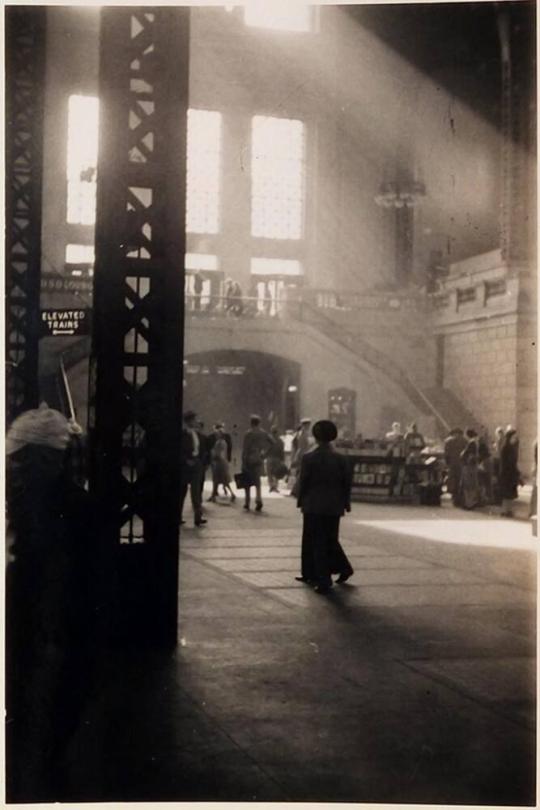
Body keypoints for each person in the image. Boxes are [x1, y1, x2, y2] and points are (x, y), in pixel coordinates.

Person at [6, 405, 97, 800]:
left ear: (45, 458)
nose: (13, 467)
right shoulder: (72, 502)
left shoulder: (46, 504)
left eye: (21, 458)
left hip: (44, 623)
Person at [296, 420, 353, 594]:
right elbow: (346, 483)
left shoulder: (308, 457)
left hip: (313, 504)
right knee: (330, 539)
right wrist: (346, 501)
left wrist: (300, 499)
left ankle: (320, 577)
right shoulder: (341, 458)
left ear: (315, 436)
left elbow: (303, 481)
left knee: (313, 540)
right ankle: (341, 568)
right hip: (333, 505)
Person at [241, 414, 274, 511]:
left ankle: (247, 502)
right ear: (259, 423)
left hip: (249, 458)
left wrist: (243, 461)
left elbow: (245, 449)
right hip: (259, 458)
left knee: (247, 481)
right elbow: (273, 443)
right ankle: (258, 500)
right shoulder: (263, 433)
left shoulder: (248, 433)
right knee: (257, 481)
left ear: (251, 423)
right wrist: (265, 454)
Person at [180, 410, 206, 527]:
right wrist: (186, 459)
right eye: (194, 419)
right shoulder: (182, 433)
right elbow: (179, 448)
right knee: (182, 491)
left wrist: (199, 460)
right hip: (185, 464)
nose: (196, 421)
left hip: (196, 463)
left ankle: (198, 516)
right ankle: (178, 516)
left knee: (196, 491)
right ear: (189, 421)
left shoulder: (197, 434)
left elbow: (201, 449)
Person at [208, 424, 236, 503]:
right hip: (223, 462)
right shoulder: (223, 442)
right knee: (221, 480)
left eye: (217, 434)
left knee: (218, 479)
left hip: (219, 462)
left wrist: (213, 455)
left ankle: (214, 496)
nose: (216, 435)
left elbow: (218, 453)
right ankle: (213, 496)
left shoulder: (219, 443)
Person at [499, 428, 522, 517]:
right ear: (510, 437)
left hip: (509, 473)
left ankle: (508, 510)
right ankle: (505, 511)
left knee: (509, 494)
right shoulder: (507, 448)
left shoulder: (509, 447)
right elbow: (509, 462)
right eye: (514, 437)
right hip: (507, 473)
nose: (515, 439)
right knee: (507, 494)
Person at [289, 417, 314, 497]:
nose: (309, 426)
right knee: (302, 473)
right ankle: (295, 491)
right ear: (305, 425)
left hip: (302, 454)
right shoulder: (303, 433)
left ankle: (296, 490)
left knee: (301, 473)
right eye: (308, 425)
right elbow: (301, 446)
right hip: (303, 455)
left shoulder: (301, 433)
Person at [444, 427, 467, 506]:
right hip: (461, 464)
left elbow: (446, 454)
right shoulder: (464, 441)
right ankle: (460, 497)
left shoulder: (448, 441)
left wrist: (447, 464)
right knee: (460, 480)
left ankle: (454, 497)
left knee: (452, 480)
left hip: (452, 464)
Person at [459, 429, 481, 510]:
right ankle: (470, 502)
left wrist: (463, 456)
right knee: (471, 484)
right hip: (472, 465)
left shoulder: (471, 443)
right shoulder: (475, 443)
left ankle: (469, 503)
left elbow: (467, 454)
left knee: (468, 484)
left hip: (469, 466)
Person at [266, 425, 286, 493]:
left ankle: (271, 486)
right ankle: (275, 486)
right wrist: (282, 460)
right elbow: (282, 451)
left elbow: (265, 449)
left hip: (269, 458)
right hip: (277, 459)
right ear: (277, 432)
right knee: (276, 473)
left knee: (269, 473)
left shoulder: (268, 440)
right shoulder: (280, 441)